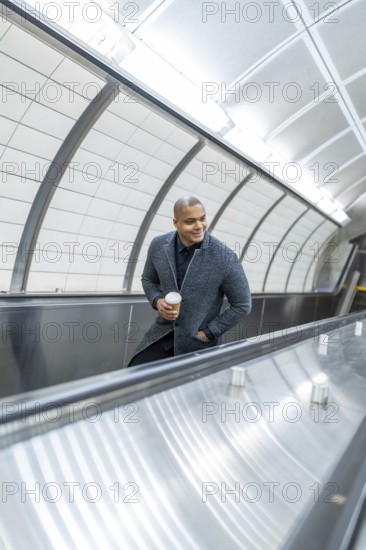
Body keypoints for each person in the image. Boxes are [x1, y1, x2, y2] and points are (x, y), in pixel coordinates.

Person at [127, 196, 251, 367]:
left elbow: (242, 305)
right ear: (176, 223)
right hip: (162, 335)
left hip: (199, 344)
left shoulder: (225, 257)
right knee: (136, 375)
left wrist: (209, 332)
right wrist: (157, 300)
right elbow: (149, 279)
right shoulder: (158, 245)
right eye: (190, 221)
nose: (199, 226)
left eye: (202, 218)